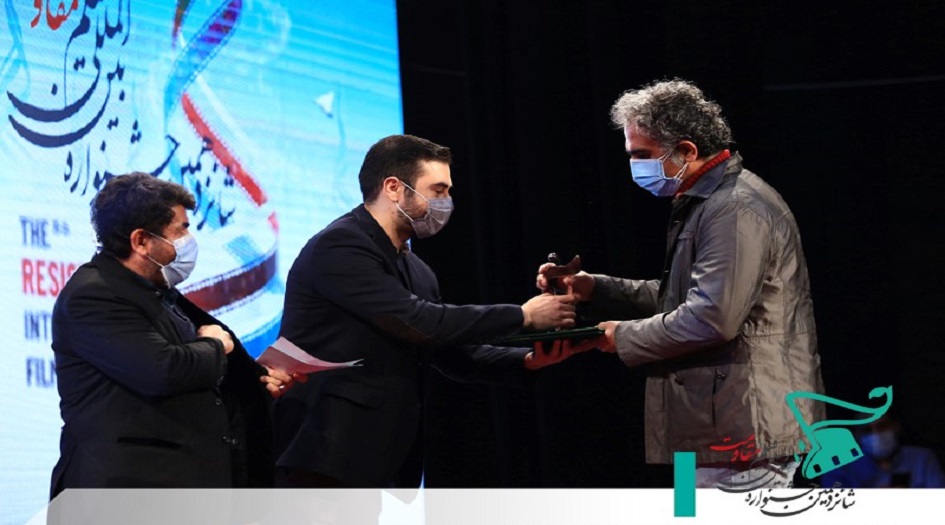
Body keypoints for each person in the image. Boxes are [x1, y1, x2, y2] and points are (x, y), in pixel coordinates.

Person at [539, 79, 826, 488]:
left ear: (687, 150)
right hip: (707, 428)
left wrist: (621, 335)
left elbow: (711, 317)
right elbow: (681, 297)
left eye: (641, 154)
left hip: (744, 431)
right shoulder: (705, 201)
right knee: (685, 513)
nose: (634, 165)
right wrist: (594, 288)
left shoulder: (735, 208)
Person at [273, 134, 580, 489]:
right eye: (437, 190)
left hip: (375, 457)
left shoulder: (417, 269)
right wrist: (523, 316)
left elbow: (450, 352)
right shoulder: (341, 245)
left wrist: (528, 360)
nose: (446, 202)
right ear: (393, 188)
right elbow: (420, 321)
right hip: (322, 450)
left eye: (447, 192)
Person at [50, 172, 299, 497]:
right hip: (125, 495)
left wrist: (258, 380)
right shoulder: (93, 295)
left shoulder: (157, 294)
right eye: (181, 230)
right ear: (141, 241)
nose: (189, 240)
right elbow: (164, 369)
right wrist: (214, 345)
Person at [820, 412, 945, 488]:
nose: (876, 435)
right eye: (867, 430)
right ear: (857, 435)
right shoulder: (840, 467)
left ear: (895, 426)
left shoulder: (922, 459)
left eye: (882, 426)